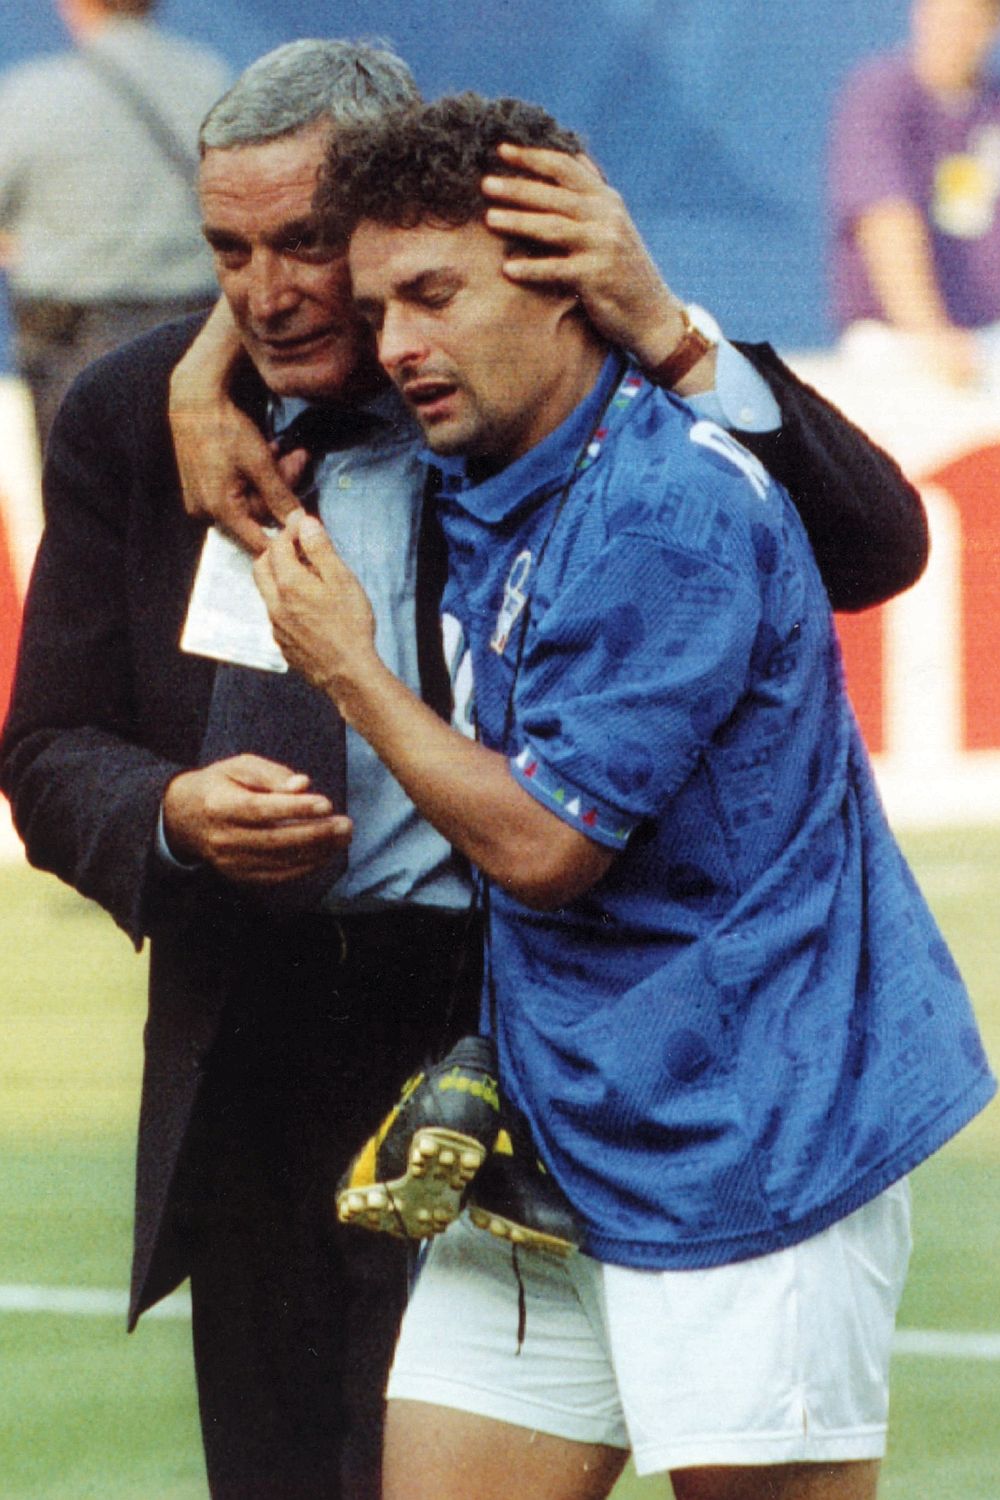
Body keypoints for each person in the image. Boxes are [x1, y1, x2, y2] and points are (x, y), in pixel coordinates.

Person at [1, 35, 930, 1500]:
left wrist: (667, 326)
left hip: (529, 1020)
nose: (267, 292)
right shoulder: (143, 419)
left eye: (310, 245)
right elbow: (46, 747)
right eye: (227, 254)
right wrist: (168, 814)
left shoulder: (517, 382)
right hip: (274, 1047)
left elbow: (872, 547)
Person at [253, 93, 996, 1500]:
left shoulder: (668, 511)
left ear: (564, 281)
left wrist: (349, 671)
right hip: (552, 1131)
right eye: (378, 304)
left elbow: (543, 850)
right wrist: (195, 381)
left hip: (747, 1136)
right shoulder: (464, 446)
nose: (396, 342)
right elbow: (257, 320)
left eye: (433, 294)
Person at [0, 0, 230, 452]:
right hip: (195, 335)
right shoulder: (210, 80)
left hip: (72, 342)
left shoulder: (34, 94)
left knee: (85, 507)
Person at [829, 0, 1000, 387]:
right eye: (943, 17)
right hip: (900, 342)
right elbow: (885, 219)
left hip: (989, 339)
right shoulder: (883, 95)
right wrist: (932, 335)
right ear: (919, 14)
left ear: (992, 26)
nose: (954, 34)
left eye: (970, 21)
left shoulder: (993, 106)